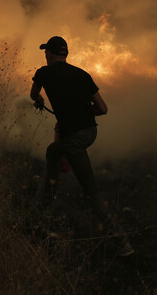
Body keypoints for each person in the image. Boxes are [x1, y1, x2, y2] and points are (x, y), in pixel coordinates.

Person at [30, 35, 134, 257]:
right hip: (89, 132)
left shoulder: (43, 73)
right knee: (53, 151)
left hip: (75, 140)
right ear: (65, 54)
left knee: (91, 191)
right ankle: (45, 211)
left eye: (46, 52)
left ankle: (122, 243)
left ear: (49, 53)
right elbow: (103, 108)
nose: (45, 55)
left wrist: (39, 102)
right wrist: (84, 113)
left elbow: (33, 94)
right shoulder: (82, 75)